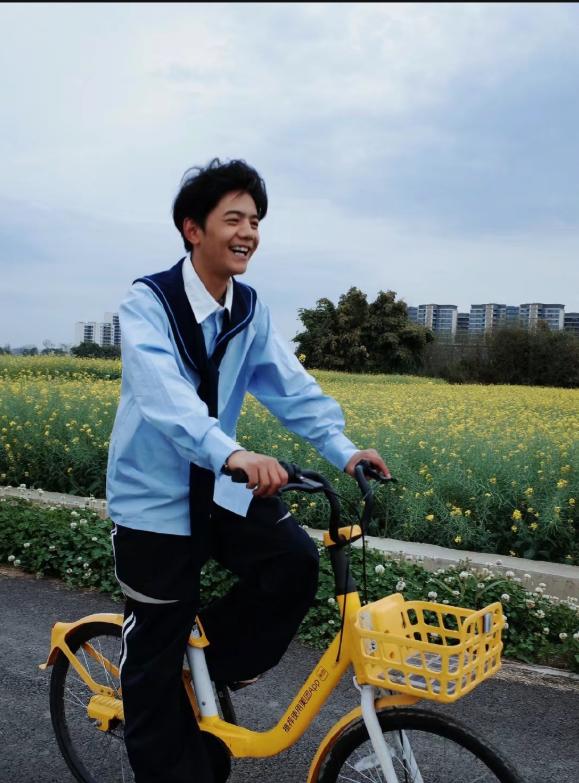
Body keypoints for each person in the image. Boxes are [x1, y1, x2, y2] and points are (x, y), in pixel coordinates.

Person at [106, 158, 390, 783]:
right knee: (152, 659)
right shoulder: (148, 303)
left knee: (293, 563)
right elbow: (165, 397)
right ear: (193, 229)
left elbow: (290, 386)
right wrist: (232, 453)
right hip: (154, 499)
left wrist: (344, 449)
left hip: (217, 489)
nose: (248, 233)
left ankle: (209, 666)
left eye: (255, 221)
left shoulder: (248, 310)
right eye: (234, 219)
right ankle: (167, 721)